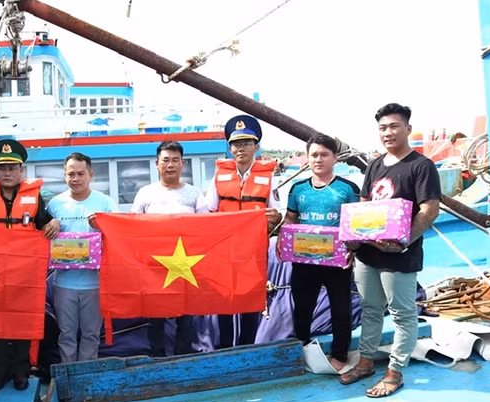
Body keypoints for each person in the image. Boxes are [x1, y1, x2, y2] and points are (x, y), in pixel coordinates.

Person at [339, 103, 440, 398]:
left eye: (394, 126)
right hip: (367, 254)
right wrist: (354, 239)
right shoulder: (375, 165)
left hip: (400, 256)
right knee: (370, 310)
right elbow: (364, 204)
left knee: (402, 314)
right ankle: (366, 361)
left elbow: (429, 210)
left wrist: (403, 241)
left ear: (408, 129)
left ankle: (395, 371)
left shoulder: (422, 166)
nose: (388, 132)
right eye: (383, 128)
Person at [0, 139, 60, 393]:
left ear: (21, 171)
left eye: (12, 168)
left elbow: (46, 224)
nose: (7, 173)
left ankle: (20, 372)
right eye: (2, 168)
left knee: (20, 323)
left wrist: (55, 223)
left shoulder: (34, 198)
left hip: (24, 274)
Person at [276, 133, 359, 372]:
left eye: (324, 154)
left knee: (340, 308)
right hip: (304, 260)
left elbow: (356, 224)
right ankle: (302, 347)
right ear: (307, 158)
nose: (318, 159)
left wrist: (353, 249)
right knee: (302, 307)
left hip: (337, 261)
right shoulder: (297, 189)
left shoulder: (348, 189)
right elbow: (290, 219)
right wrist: (282, 239)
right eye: (314, 155)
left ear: (335, 157)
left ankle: (340, 354)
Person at [204, 115, 281, 349]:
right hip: (224, 251)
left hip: (254, 252)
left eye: (247, 143)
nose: (241, 148)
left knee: (251, 300)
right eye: (236, 144)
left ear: (256, 147)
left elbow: (277, 217)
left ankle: (248, 347)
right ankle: (226, 348)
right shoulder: (218, 178)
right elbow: (208, 213)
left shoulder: (269, 179)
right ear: (229, 148)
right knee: (224, 302)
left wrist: (274, 219)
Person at [131, 140, 208, 357]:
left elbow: (208, 227)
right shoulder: (145, 193)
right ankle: (157, 359)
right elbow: (130, 225)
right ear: (156, 164)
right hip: (153, 266)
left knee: (186, 315)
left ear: (182, 164)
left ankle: (183, 357)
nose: (170, 165)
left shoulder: (194, 194)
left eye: (175, 160)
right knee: (155, 316)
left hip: (186, 265)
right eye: (166, 160)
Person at [47, 152, 118, 363]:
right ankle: (69, 375)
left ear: (91, 175)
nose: (75, 179)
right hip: (63, 284)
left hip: (95, 284)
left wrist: (103, 226)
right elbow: (40, 234)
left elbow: (119, 236)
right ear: (64, 176)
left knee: (91, 335)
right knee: (66, 335)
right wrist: (52, 223)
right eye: (71, 174)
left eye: (80, 173)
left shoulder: (105, 203)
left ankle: (87, 377)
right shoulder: (54, 205)